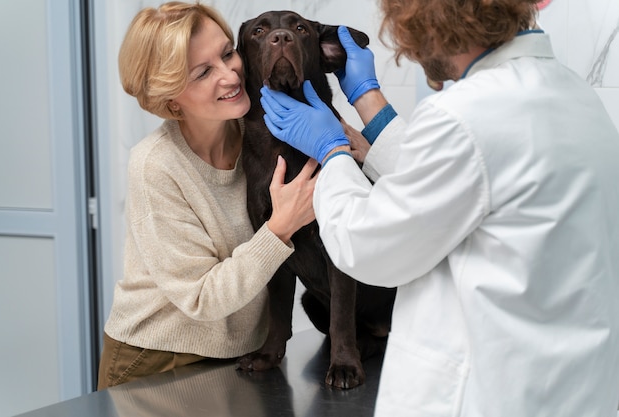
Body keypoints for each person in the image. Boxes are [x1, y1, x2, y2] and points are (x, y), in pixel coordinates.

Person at [259, 0, 619, 416]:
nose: (409, 49)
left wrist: (332, 150)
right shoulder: (571, 93)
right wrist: (367, 98)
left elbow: (366, 246)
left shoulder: (466, 117)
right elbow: (454, 186)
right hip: (566, 389)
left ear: (433, 21)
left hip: (484, 395)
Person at [97, 1, 318, 390]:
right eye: (203, 72)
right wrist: (280, 227)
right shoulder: (155, 166)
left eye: (228, 53)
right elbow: (201, 299)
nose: (231, 74)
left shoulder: (259, 137)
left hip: (243, 355)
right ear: (171, 100)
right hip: (159, 362)